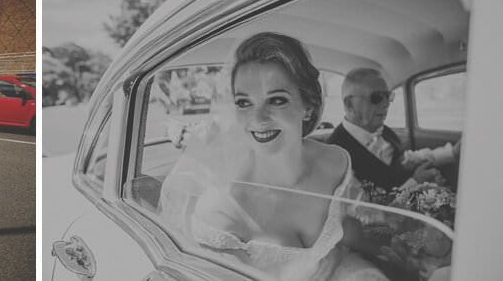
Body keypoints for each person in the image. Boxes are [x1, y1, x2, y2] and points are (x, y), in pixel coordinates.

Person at [158, 32, 386, 280]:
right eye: (244, 103)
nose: (258, 119)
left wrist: (396, 251)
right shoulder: (221, 213)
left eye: (276, 100)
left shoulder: (335, 162)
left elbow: (344, 233)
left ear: (308, 107)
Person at [326, 68, 459, 194]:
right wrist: (416, 182)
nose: (386, 104)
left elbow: (407, 159)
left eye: (388, 96)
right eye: (377, 97)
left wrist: (452, 153)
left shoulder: (385, 132)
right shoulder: (335, 154)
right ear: (350, 104)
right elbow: (366, 209)